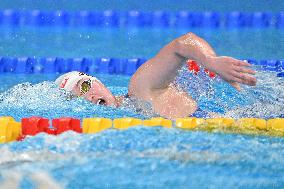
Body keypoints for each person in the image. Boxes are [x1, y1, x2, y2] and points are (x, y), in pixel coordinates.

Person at [55, 32, 257, 119]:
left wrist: (212, 62)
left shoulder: (140, 87)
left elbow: (183, 43)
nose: (87, 97)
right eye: (77, 98)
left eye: (84, 86)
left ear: (99, 82)